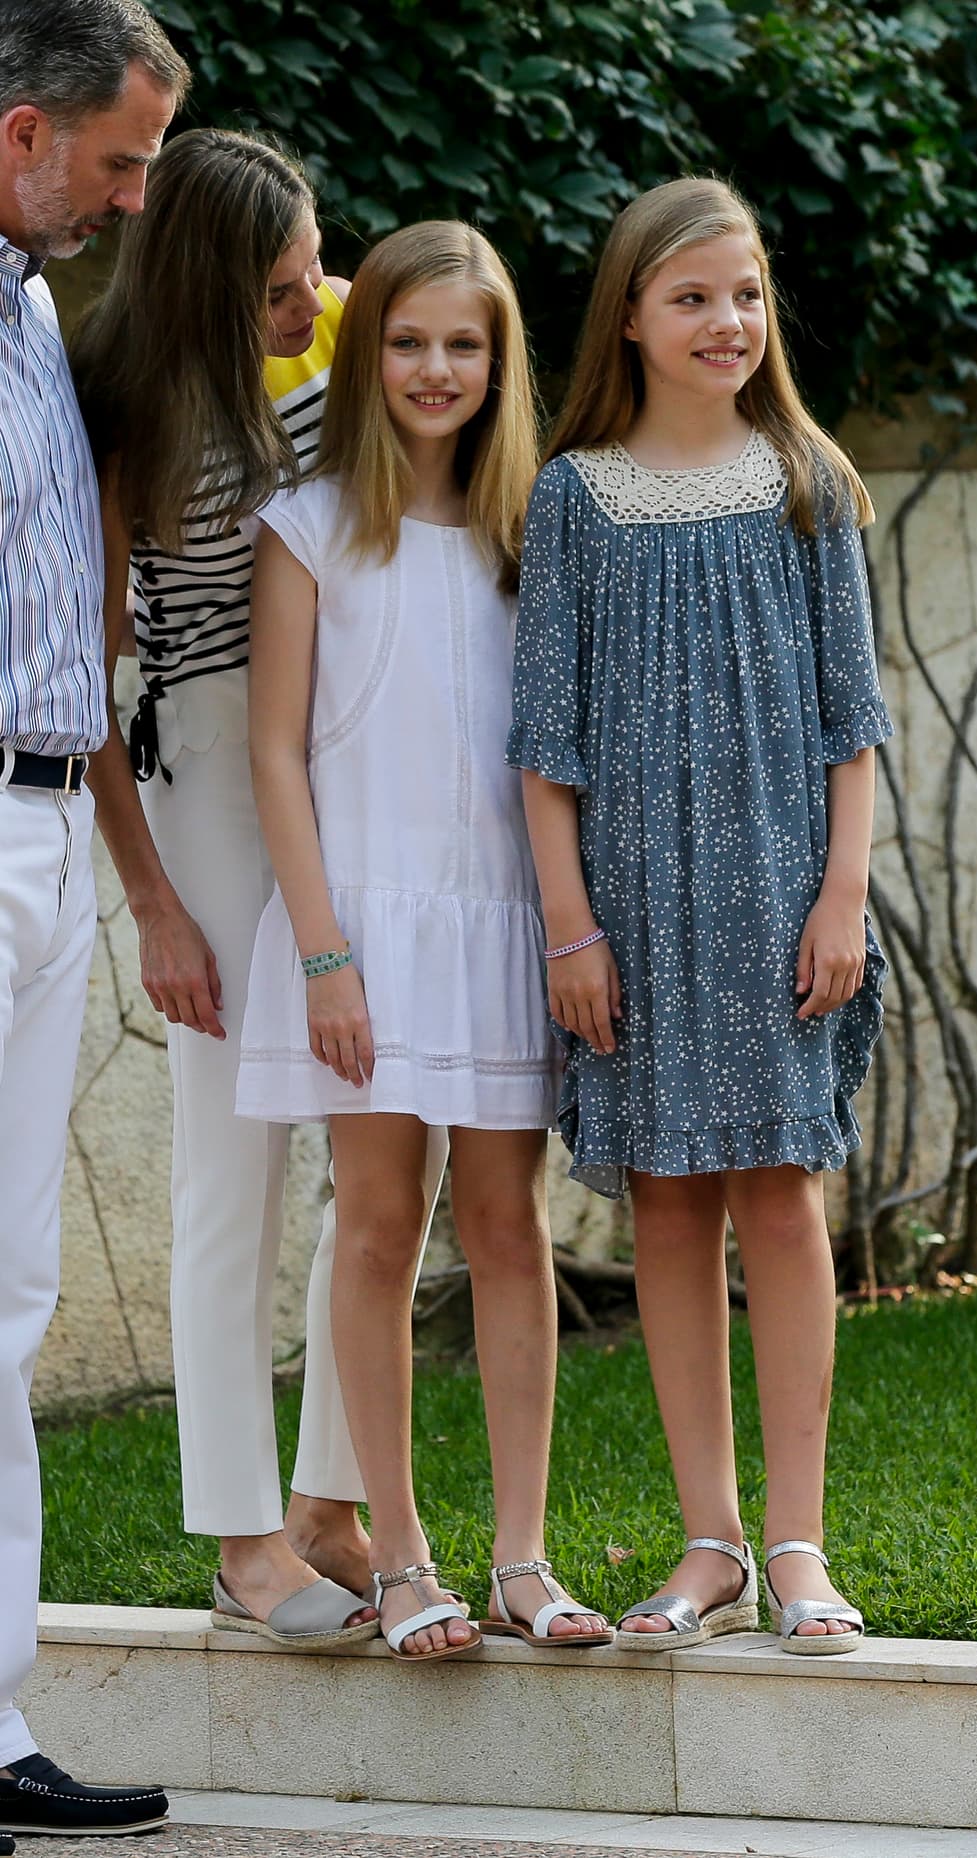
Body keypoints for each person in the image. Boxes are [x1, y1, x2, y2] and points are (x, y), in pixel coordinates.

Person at [509, 176, 892, 1655]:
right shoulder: (574, 496)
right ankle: (710, 1540)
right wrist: (568, 928)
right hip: (634, 913)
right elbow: (547, 743)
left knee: (783, 1196)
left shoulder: (807, 479)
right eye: (692, 298)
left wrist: (841, 891)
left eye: (745, 294)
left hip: (787, 901)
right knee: (667, 1202)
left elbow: (852, 723)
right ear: (631, 316)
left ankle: (797, 1539)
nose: (727, 321)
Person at [72, 128, 430, 1645]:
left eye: (314, 269)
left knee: (382, 1146)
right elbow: (81, 671)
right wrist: (149, 898)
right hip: (209, 761)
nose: (314, 299)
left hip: (349, 753)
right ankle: (238, 1536)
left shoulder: (336, 330)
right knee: (233, 1156)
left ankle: (333, 1507)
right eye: (283, 284)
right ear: (220, 286)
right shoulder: (127, 407)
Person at [237, 220, 611, 1659]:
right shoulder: (309, 524)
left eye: (465, 343)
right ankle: (399, 1555)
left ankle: (522, 1557)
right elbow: (276, 753)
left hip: (506, 920)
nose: (435, 368)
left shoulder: (538, 533)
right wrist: (324, 951)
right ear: (367, 348)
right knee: (381, 1224)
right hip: (367, 931)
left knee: (510, 1227)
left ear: (501, 359)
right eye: (406, 340)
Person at [0, 0, 186, 1837]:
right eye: (119, 158)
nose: (134, 198)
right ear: (18, 132)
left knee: (13, 1292)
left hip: (50, 822)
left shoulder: (37, 314)